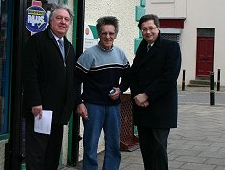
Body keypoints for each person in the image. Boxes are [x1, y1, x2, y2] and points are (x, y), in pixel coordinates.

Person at [22, 3, 75, 170]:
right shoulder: (36, 41)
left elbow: (71, 79)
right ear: (50, 21)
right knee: (37, 155)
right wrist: (35, 102)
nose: (63, 22)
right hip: (41, 111)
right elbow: (29, 75)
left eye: (66, 19)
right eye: (59, 18)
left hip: (59, 112)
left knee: (52, 155)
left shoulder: (68, 47)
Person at [76, 16, 130, 170]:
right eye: (104, 33)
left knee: (113, 144)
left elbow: (128, 77)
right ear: (98, 34)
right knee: (91, 145)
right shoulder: (89, 55)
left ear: (116, 34)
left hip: (113, 107)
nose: (108, 37)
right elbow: (75, 82)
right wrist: (79, 103)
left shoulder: (120, 54)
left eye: (111, 33)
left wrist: (120, 89)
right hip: (93, 107)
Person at [130, 14, 181, 170]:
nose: (148, 32)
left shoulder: (171, 47)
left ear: (158, 28)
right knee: (147, 150)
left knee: (158, 149)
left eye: (151, 28)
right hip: (142, 108)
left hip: (160, 108)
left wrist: (147, 95)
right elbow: (134, 74)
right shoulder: (142, 48)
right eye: (144, 29)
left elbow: (169, 77)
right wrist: (137, 96)